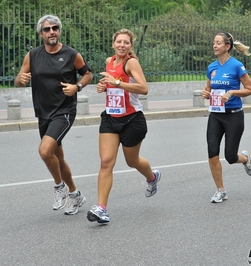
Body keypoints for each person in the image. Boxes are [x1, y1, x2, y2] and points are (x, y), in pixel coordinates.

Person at [14, 14, 92, 215]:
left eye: (55, 28)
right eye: (47, 29)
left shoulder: (71, 54)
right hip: (44, 113)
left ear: (59, 30)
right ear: (41, 33)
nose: (52, 32)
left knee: (44, 151)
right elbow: (19, 80)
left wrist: (78, 87)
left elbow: (88, 74)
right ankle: (76, 196)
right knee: (58, 158)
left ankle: (60, 188)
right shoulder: (32, 55)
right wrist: (20, 80)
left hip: (64, 111)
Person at [87, 29, 161, 223]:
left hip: (132, 120)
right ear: (113, 44)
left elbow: (143, 88)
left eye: (125, 42)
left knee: (132, 161)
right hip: (111, 118)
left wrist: (117, 83)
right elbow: (110, 85)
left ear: (130, 46)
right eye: (118, 42)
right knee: (106, 162)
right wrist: (103, 87)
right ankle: (101, 208)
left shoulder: (131, 63)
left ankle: (152, 177)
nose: (121, 45)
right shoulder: (108, 62)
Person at [201, 32, 251, 203]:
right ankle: (221, 190)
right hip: (215, 115)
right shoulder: (212, 67)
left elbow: (250, 89)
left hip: (233, 116)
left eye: (218, 43)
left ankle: (245, 159)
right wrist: (206, 93)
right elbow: (209, 88)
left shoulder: (237, 66)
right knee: (212, 153)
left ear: (227, 46)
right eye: (213, 42)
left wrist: (232, 92)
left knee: (231, 157)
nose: (214, 46)